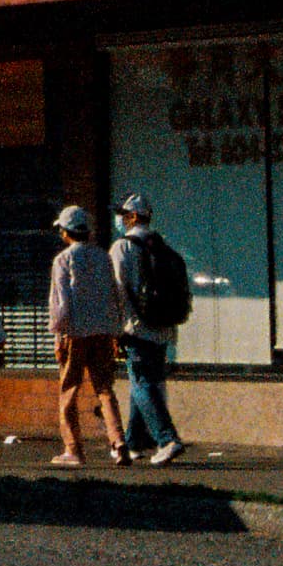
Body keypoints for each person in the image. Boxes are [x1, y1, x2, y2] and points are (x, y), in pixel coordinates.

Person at [47, 202, 132, 468]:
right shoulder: (103, 257)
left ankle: (73, 449)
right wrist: (116, 330)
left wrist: (58, 336)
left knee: (68, 392)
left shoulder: (63, 260)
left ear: (65, 232)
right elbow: (114, 295)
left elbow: (59, 303)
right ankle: (118, 442)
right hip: (103, 332)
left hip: (75, 333)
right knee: (105, 389)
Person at [111, 192, 189, 466]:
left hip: (136, 327)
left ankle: (167, 439)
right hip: (162, 327)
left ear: (132, 217)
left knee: (142, 383)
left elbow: (117, 288)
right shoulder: (161, 246)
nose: (119, 219)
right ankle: (133, 444)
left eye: (122, 215)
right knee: (142, 384)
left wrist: (116, 328)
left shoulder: (122, 247)